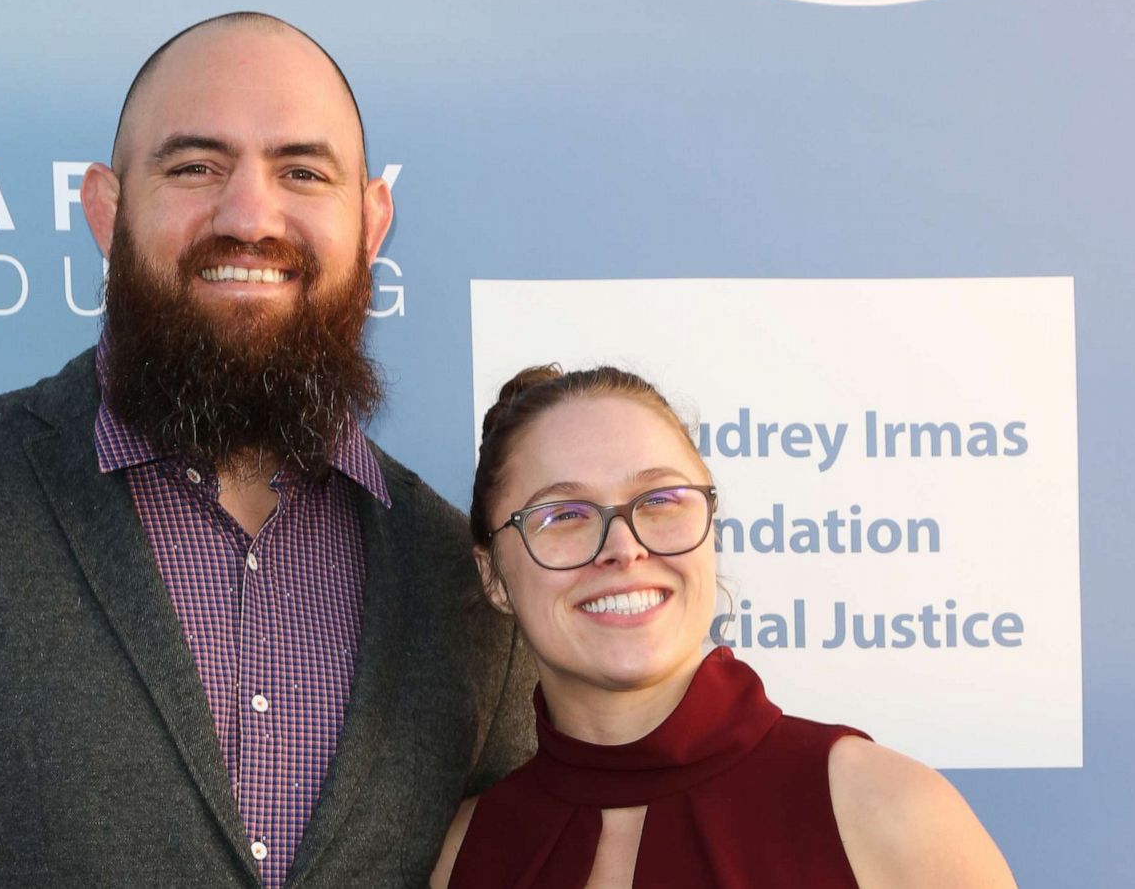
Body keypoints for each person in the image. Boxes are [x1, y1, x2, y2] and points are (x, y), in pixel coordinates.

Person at [0, 12, 534, 889]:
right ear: (107, 210)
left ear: (371, 224)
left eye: (302, 171)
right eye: (194, 167)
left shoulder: (472, 583)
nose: (250, 214)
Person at [431, 365, 1016, 888]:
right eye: (563, 515)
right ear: (495, 577)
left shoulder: (886, 810)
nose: (623, 547)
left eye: (659, 500)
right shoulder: (464, 855)